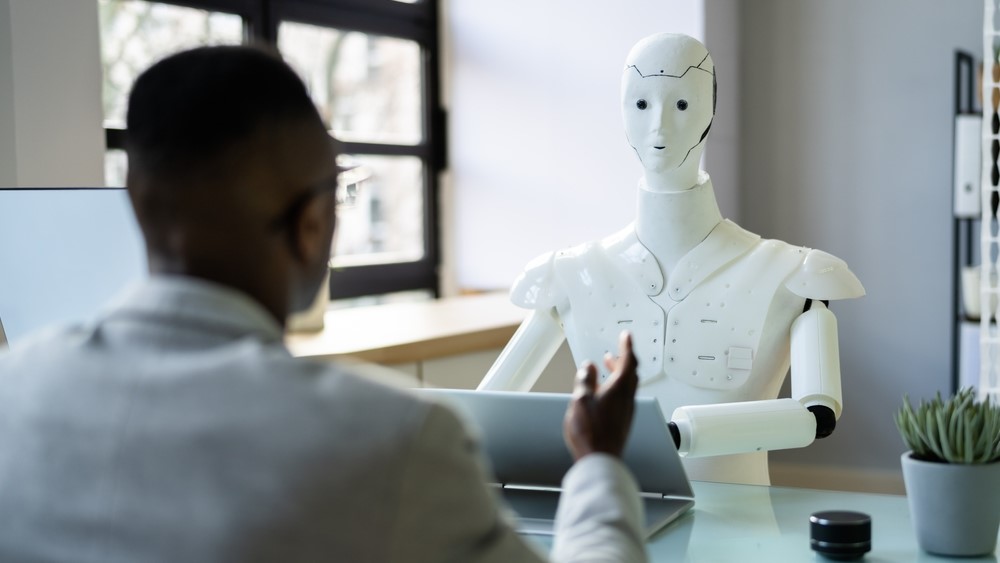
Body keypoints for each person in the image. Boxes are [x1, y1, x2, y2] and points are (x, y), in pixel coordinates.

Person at [0, 46, 647, 562]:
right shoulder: (394, 442)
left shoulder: (13, 392)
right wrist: (597, 466)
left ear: (137, 200)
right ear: (311, 223)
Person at [479, 33, 865, 486]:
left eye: (681, 103)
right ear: (622, 114)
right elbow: (485, 409)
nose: (659, 126)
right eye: (641, 104)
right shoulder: (569, 274)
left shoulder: (792, 273)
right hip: (614, 531)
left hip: (739, 539)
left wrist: (677, 435)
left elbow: (817, 414)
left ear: (709, 112)